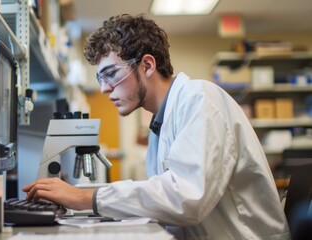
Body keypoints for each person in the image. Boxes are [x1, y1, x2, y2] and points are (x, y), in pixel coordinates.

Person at [23, 14, 290, 239]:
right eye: (100, 77)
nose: (104, 89)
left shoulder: (200, 99)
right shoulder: (160, 123)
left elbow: (186, 198)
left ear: (148, 65)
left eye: (111, 74)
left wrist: (86, 198)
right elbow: (165, 201)